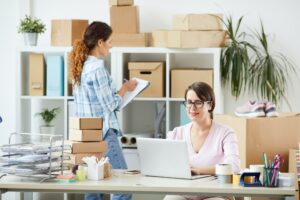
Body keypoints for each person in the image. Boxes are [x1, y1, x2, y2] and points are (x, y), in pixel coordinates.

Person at [69, 21, 136, 200]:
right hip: (103, 133)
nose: (111, 46)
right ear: (100, 42)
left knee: (93, 186)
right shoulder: (97, 68)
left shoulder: (79, 66)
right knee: (122, 185)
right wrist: (126, 88)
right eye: (110, 41)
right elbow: (111, 105)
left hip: (87, 136)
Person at [164, 82, 240, 200]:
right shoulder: (176, 133)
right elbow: (165, 164)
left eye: (198, 102)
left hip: (216, 194)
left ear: (209, 105)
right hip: (184, 193)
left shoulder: (226, 133)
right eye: (189, 102)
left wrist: (198, 171)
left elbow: (234, 166)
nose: (192, 108)